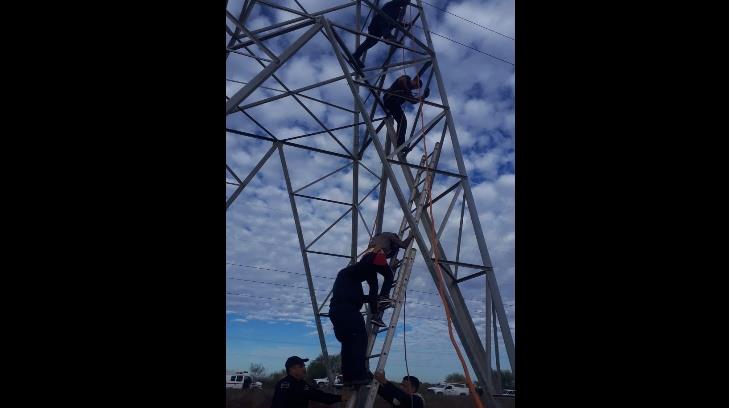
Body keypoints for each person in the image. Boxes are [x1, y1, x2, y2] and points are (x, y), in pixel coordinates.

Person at [351, 0, 410, 68]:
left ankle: (356, 56)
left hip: (381, 30)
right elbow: (384, 17)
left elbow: (393, 22)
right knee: (383, 22)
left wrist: (402, 25)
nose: (405, 5)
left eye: (406, 4)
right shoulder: (392, 4)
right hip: (377, 25)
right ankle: (389, 38)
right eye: (405, 3)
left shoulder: (397, 10)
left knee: (370, 42)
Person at [270, 356, 347, 408]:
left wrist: (340, 398)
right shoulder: (284, 385)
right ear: (291, 369)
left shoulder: (303, 384)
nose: (304, 368)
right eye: (301, 366)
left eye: (304, 366)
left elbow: (319, 395)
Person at [382, 74, 430, 156]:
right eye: (416, 85)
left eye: (416, 88)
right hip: (389, 98)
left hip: (394, 105)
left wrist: (424, 96)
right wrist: (407, 89)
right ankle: (400, 144)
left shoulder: (408, 92)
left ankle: (400, 144)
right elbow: (402, 80)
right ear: (414, 81)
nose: (414, 88)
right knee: (402, 120)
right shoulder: (407, 78)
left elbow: (413, 101)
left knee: (403, 122)